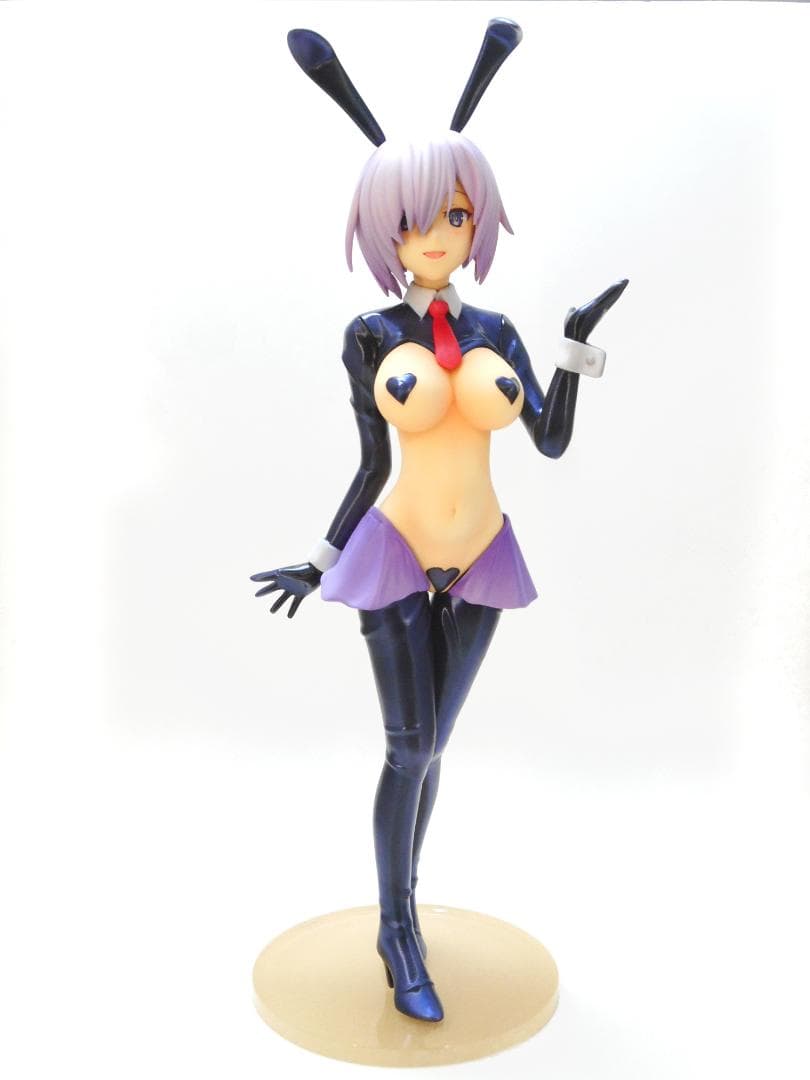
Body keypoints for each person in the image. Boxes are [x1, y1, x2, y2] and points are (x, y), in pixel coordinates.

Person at [251, 21, 627, 1023]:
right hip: (396, 553)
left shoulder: (496, 330)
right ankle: (396, 929)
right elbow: (373, 461)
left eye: (455, 214)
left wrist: (573, 348)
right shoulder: (370, 334)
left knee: (434, 748)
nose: (437, 234)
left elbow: (548, 440)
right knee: (409, 750)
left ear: (476, 221)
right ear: (385, 229)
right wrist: (320, 559)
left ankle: (405, 899)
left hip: (483, 556)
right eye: (415, 218)